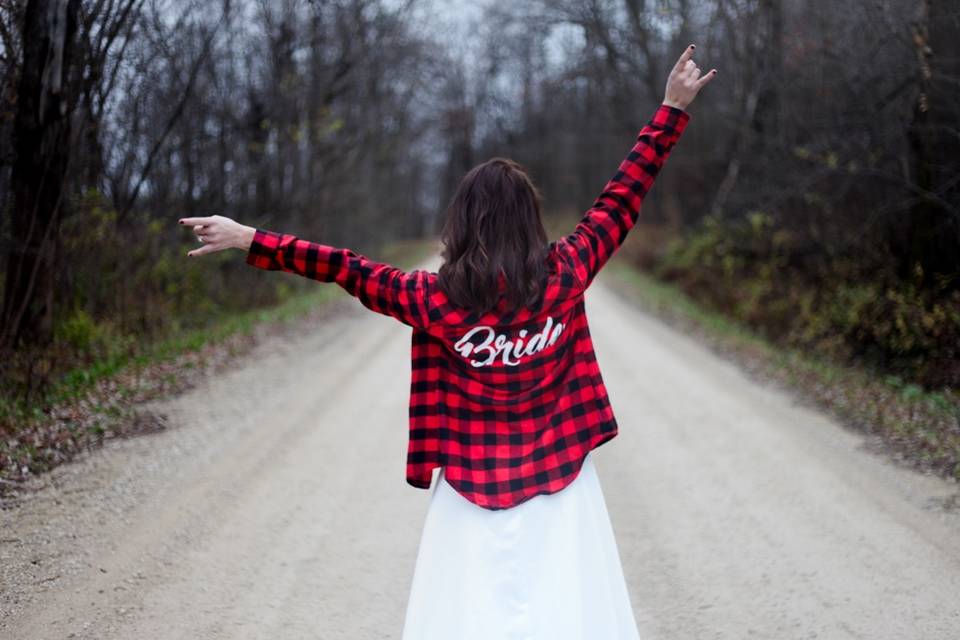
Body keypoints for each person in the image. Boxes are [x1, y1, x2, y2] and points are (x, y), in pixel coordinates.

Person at [179, 44, 715, 640]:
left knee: (468, 617)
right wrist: (670, 110)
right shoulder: (568, 270)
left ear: (462, 224)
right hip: (562, 477)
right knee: (572, 611)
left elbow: (344, 267)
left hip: (471, 485)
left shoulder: (435, 299)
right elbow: (623, 197)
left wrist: (250, 238)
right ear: (530, 219)